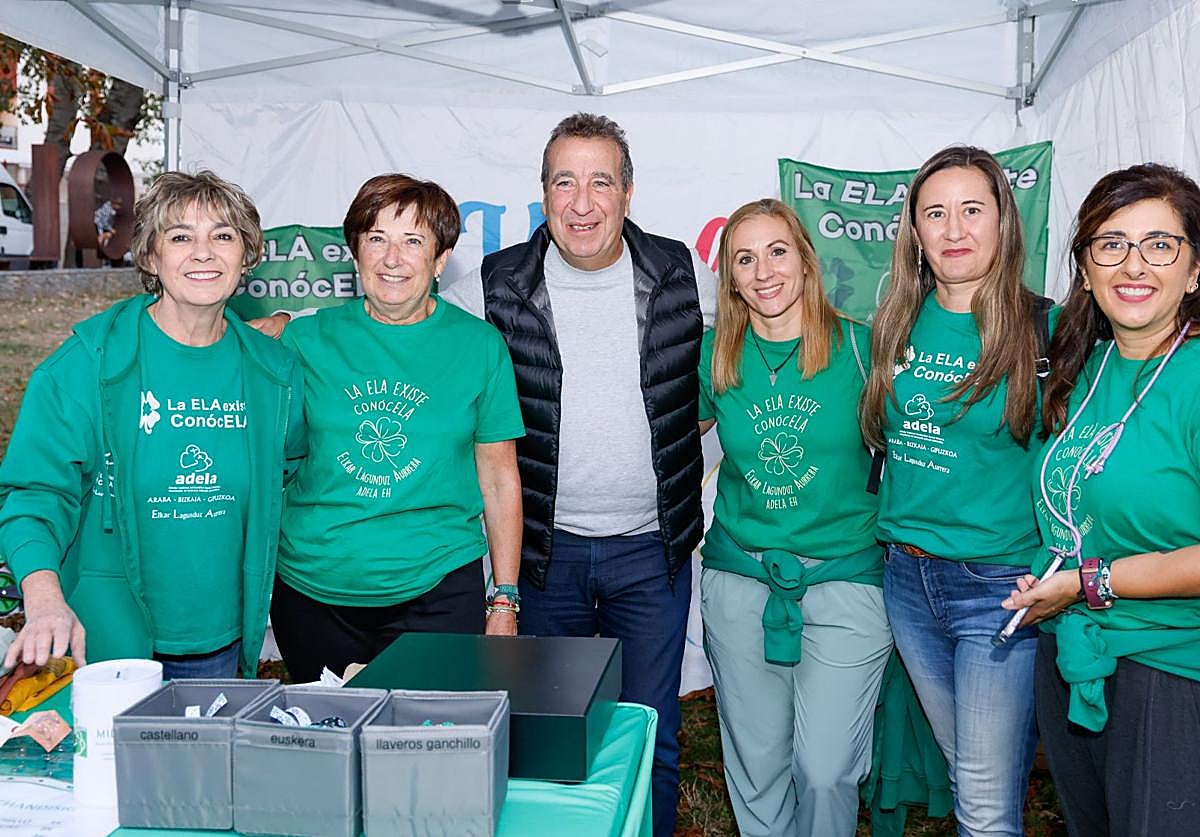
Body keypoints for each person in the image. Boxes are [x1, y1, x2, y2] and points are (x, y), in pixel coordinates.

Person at [442, 112, 716, 837]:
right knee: (544, 742)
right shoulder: (494, 285)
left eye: (601, 181)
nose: (583, 201)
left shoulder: (682, 270)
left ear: (628, 193)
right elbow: (420, 346)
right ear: (543, 193)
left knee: (650, 736)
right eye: (566, 181)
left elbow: (763, 336)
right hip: (542, 555)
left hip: (650, 554)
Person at [0, 170, 305, 680]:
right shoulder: (87, 366)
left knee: (203, 762)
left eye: (223, 236)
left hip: (220, 638)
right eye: (181, 236)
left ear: (247, 256)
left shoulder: (273, 374)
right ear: (150, 255)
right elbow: (34, 493)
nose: (203, 253)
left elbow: (288, 472)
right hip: (102, 637)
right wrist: (44, 595)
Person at [1001, 163, 1200, 837]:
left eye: (1159, 243)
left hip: (1170, 671)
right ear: (1085, 269)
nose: (1133, 263)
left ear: (1194, 271)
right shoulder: (1086, 364)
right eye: (1111, 243)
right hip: (1077, 654)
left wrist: (1088, 583)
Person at [269, 173, 525, 685]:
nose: (392, 258)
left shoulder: (479, 347)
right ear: (355, 251)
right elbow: (270, 458)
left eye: (413, 241)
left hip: (437, 591)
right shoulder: (302, 341)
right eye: (376, 238)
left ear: (440, 258)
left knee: (430, 747)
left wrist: (504, 598)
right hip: (314, 592)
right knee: (327, 745)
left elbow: (499, 479)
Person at [859, 146, 1045, 836]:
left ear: (1003, 222)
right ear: (914, 229)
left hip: (998, 587)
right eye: (935, 213)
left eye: (972, 209)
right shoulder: (894, 323)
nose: (954, 228)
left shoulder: (1044, 328)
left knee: (988, 805)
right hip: (907, 580)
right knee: (968, 774)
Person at [697, 198, 890, 836]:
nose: (762, 271)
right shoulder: (714, 356)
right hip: (741, 578)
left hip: (845, 580)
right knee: (757, 764)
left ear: (806, 263)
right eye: (743, 259)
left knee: (826, 768)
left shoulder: (864, 350)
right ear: (728, 278)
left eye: (776, 251)